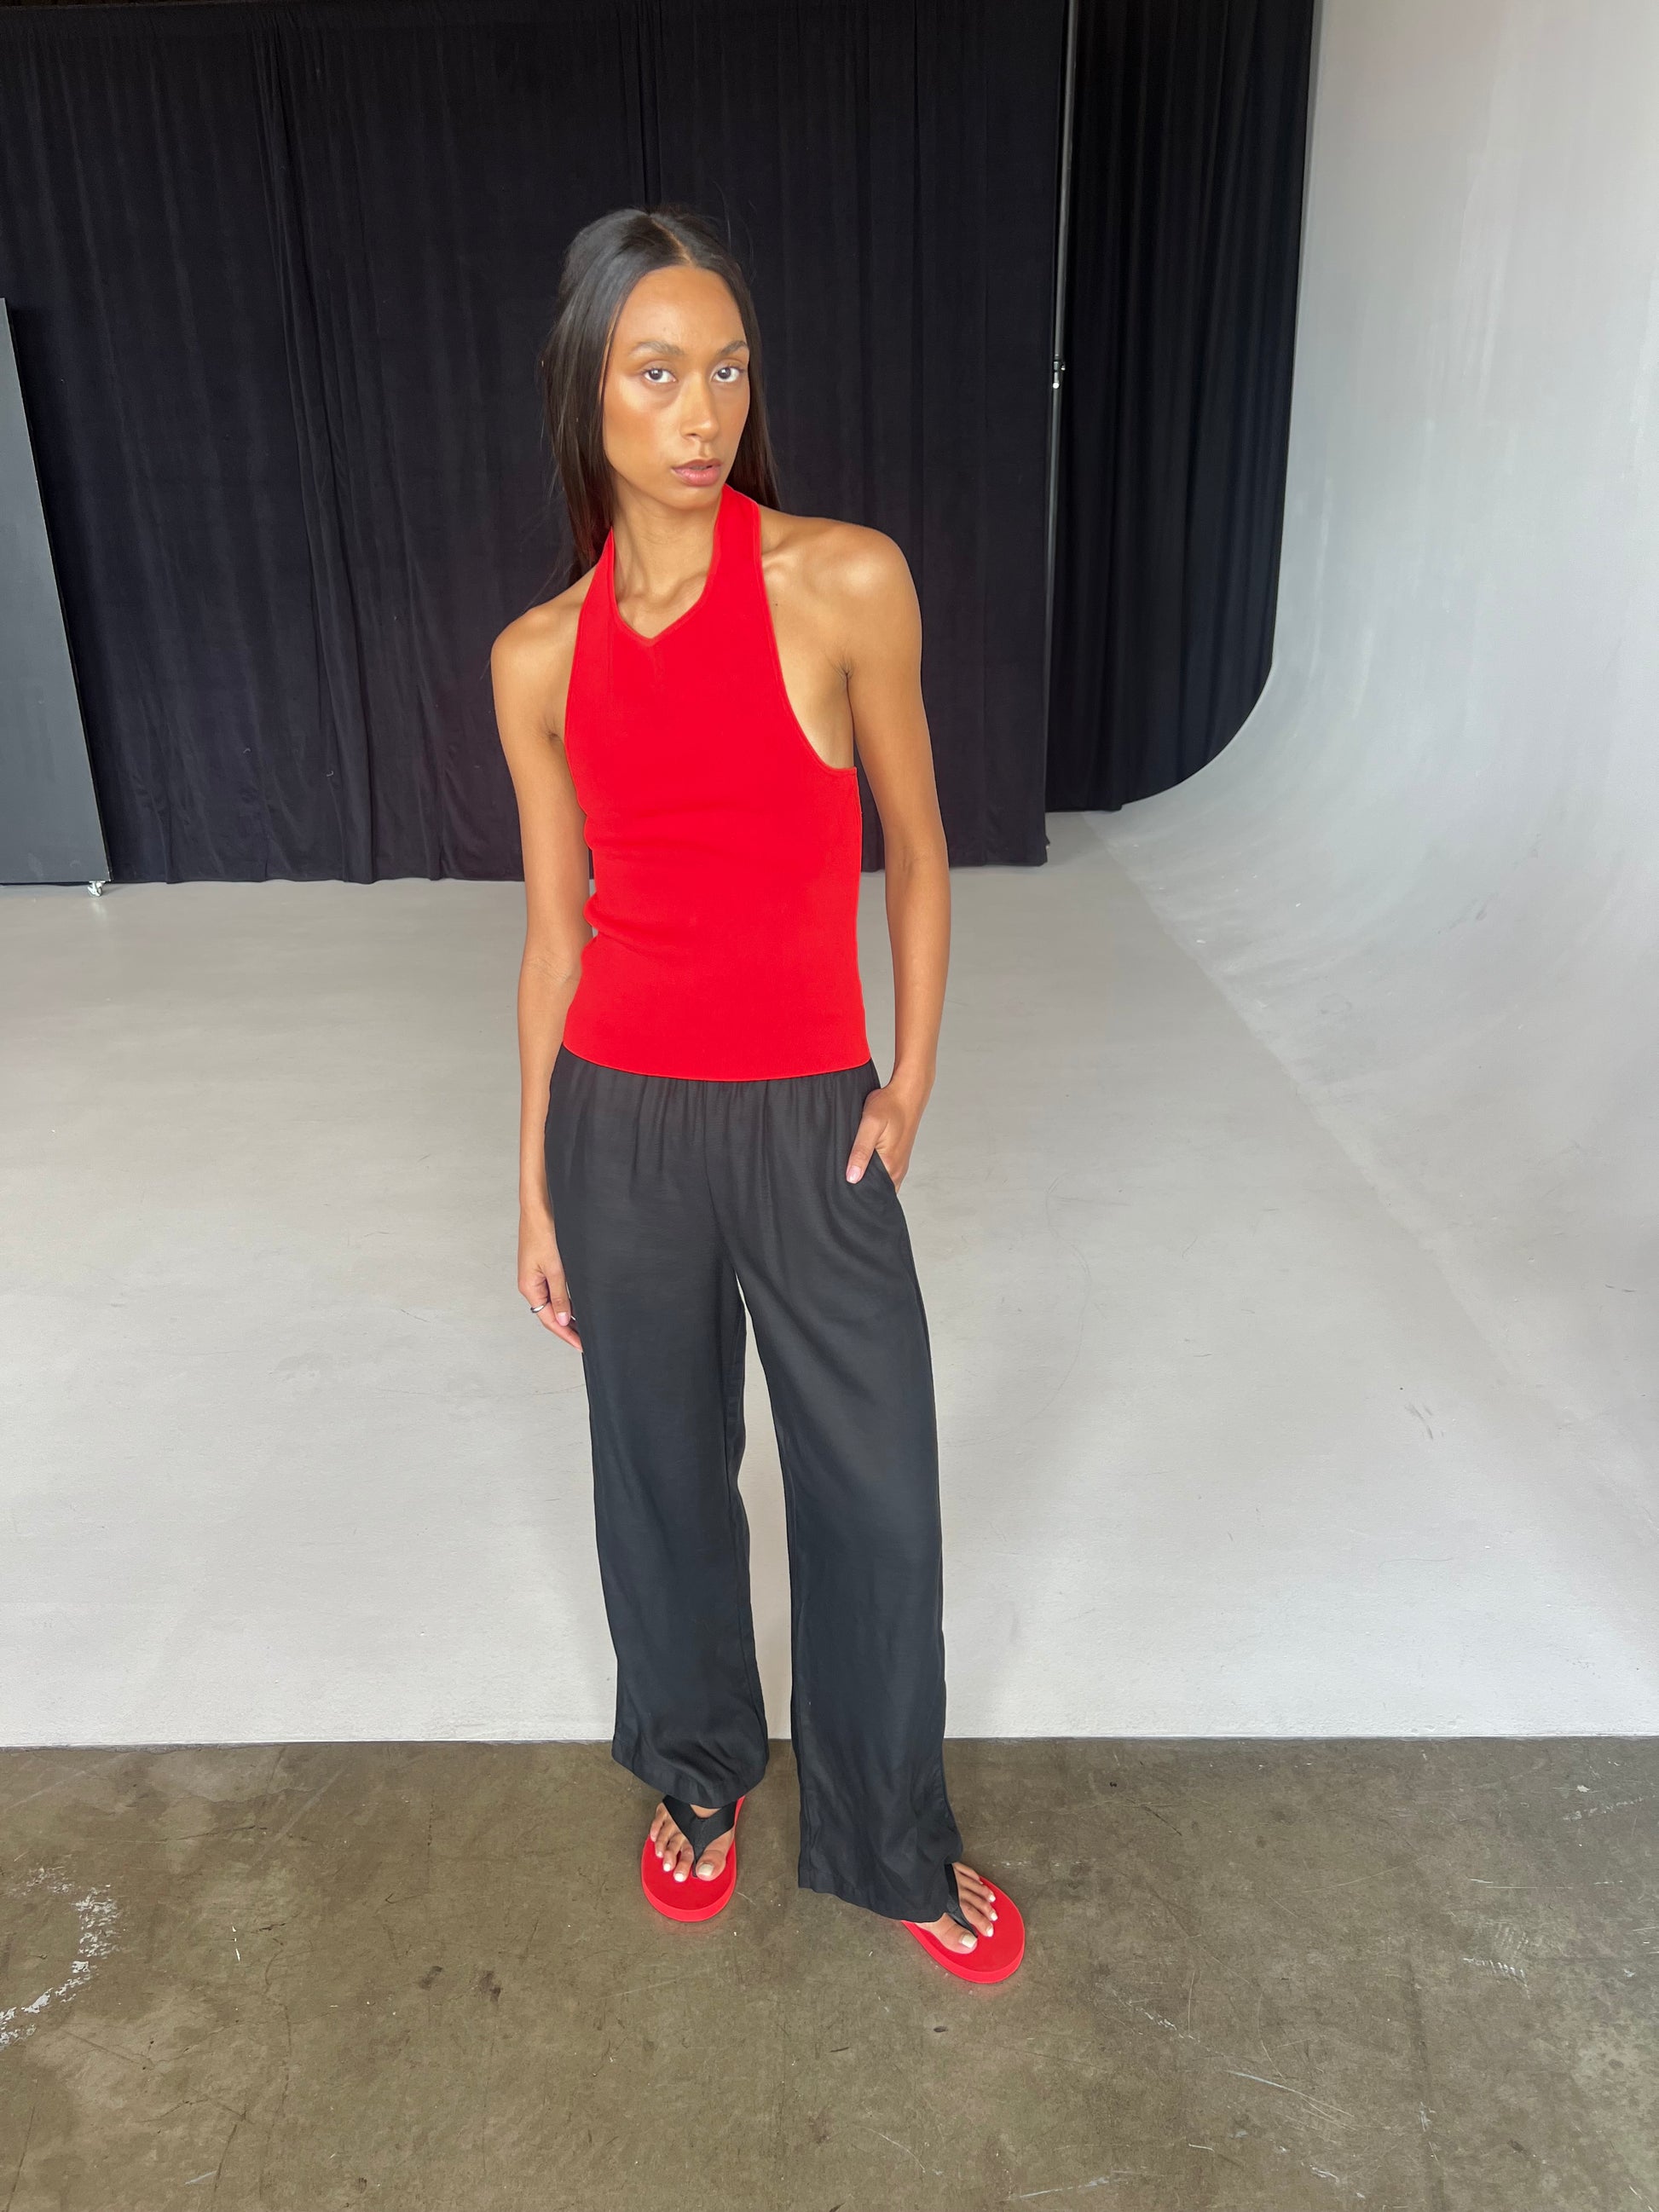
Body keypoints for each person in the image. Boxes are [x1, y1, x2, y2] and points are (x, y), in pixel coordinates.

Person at [489, 205, 1024, 1983]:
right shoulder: (539, 656)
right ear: (588, 391)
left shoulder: (842, 582)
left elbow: (919, 850)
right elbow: (553, 937)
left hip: (809, 1113)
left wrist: (909, 1079)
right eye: (658, 374)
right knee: (658, 1476)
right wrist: (532, 1178)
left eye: (726, 370)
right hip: (618, 1123)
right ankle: (700, 1768)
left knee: (875, 1492)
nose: (702, 410)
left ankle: (884, 1836)